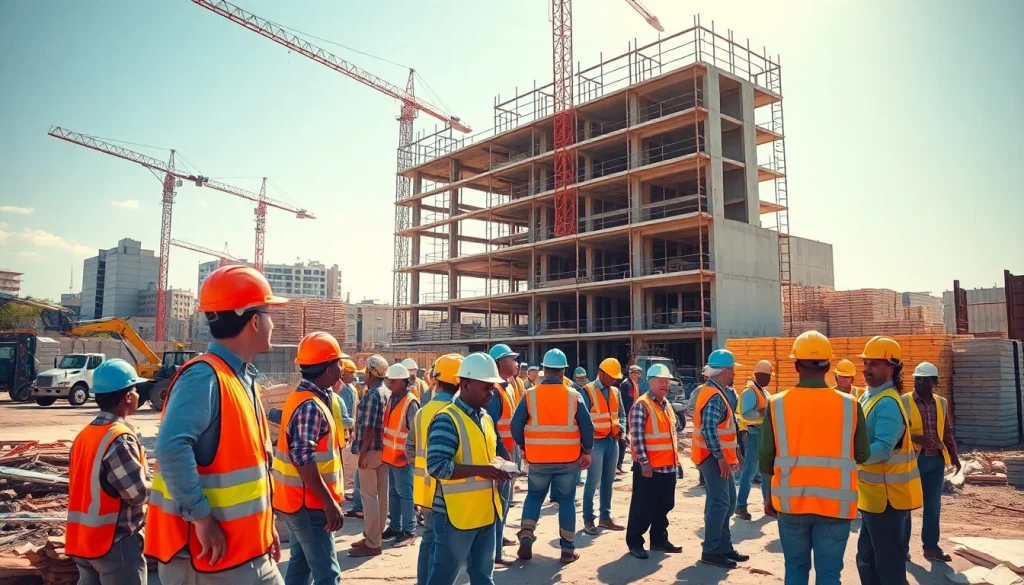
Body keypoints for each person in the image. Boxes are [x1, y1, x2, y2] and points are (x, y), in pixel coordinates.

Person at [147, 265, 284, 584]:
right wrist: (202, 518)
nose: (273, 322)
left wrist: (265, 526)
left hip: (246, 551)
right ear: (254, 321)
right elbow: (170, 448)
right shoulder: (204, 377)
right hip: (207, 558)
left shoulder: (239, 377)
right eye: (269, 313)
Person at [760, 331, 870, 585]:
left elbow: (766, 458)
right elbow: (863, 453)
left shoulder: (777, 404)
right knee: (829, 574)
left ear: (796, 365)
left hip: (790, 503)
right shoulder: (850, 405)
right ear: (829, 366)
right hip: (836, 505)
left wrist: (769, 496)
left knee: (796, 568)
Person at [425, 353, 512, 585]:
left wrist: (500, 466)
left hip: (484, 512)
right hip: (455, 516)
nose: (491, 393)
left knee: (484, 577)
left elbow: (486, 457)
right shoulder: (447, 419)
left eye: (492, 388)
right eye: (486, 388)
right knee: (444, 576)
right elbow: (436, 466)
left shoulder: (485, 418)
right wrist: (481, 470)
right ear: (465, 384)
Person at [271, 332, 346, 585]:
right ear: (327, 369)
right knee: (328, 574)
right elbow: (303, 458)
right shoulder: (310, 406)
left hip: (297, 501)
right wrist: (328, 502)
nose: (342, 367)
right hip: (309, 504)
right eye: (338, 362)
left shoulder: (301, 398)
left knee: (301, 567)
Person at [67, 359, 150, 585]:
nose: (136, 393)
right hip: (115, 543)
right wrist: (163, 484)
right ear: (128, 397)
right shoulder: (119, 439)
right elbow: (137, 494)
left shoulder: (85, 435)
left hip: (83, 540)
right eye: (134, 388)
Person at [512, 348, 594, 564]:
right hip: (568, 459)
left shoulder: (530, 395)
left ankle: (527, 534)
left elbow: (515, 425)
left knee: (534, 496)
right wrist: (586, 451)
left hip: (538, 459)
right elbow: (587, 426)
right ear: (562, 372)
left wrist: (523, 446)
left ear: (544, 370)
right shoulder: (573, 395)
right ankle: (567, 550)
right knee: (566, 500)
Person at [856, 336, 923, 585]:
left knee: (888, 568)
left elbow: (883, 449)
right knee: (866, 560)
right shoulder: (869, 397)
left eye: (874, 363)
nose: (867, 368)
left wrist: (848, 456)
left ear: (891, 368)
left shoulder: (888, 403)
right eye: (866, 362)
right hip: (873, 498)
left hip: (888, 500)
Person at [409, 355, 463, 585]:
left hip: (425, 490)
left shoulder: (422, 411)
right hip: (452, 491)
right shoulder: (458, 412)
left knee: (428, 540)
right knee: (447, 546)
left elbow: (410, 449)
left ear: (438, 382)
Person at [691, 349, 747, 569]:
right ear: (724, 371)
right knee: (720, 503)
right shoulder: (714, 395)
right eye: (732, 369)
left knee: (727, 502)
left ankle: (723, 547)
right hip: (712, 458)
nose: (734, 373)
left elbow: (723, 429)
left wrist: (731, 454)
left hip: (715, 457)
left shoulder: (717, 391)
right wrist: (721, 457)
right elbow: (709, 430)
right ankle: (712, 551)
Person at [902, 362, 961, 562]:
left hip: (935, 460)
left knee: (933, 506)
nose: (918, 382)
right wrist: (915, 438)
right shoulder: (904, 402)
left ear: (934, 382)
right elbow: (896, 431)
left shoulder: (941, 403)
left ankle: (931, 547)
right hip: (913, 461)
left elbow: (946, 430)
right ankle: (902, 549)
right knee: (906, 506)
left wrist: (953, 454)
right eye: (917, 378)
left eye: (923, 379)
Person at [625, 363, 683, 560]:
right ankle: (635, 542)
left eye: (667, 381)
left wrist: (677, 461)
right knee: (643, 506)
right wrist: (644, 462)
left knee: (664, 505)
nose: (666, 385)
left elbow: (671, 435)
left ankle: (659, 540)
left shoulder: (666, 405)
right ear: (650, 382)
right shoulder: (642, 405)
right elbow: (638, 436)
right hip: (649, 468)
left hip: (667, 467)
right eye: (661, 381)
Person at [349, 354, 393, 557]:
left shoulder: (373, 395)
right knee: (381, 496)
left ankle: (373, 542)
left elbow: (368, 428)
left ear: (370, 373)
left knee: (369, 496)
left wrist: (362, 454)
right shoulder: (387, 392)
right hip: (384, 450)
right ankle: (373, 535)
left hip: (372, 451)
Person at [580, 357, 627, 534]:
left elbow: (621, 414)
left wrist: (621, 428)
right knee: (593, 482)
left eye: (616, 377)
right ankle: (588, 520)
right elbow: (582, 419)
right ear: (601, 373)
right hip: (595, 443)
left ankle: (605, 518)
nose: (614, 380)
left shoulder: (615, 391)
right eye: (611, 377)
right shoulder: (587, 391)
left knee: (609, 480)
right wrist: (584, 446)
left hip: (612, 440)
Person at [485, 344, 521, 565]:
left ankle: (499, 538)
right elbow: (492, 428)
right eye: (511, 359)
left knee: (505, 502)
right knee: (499, 503)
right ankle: (495, 551)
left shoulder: (507, 387)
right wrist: (503, 456)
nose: (516, 363)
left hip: (510, 452)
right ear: (500, 364)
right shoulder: (495, 391)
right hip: (502, 456)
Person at [382, 362, 421, 546]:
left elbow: (415, 432)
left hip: (403, 459)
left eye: (394, 381)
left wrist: (408, 455)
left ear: (404, 382)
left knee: (406, 494)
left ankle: (409, 530)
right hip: (391, 456)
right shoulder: (393, 399)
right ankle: (396, 526)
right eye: (389, 381)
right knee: (395, 494)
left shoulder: (410, 402)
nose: (390, 384)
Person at [734, 359, 773, 521]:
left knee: (765, 472)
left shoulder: (763, 392)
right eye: (765, 375)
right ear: (757, 375)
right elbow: (746, 414)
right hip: (753, 434)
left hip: (763, 434)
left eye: (769, 376)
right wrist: (763, 412)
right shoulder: (750, 391)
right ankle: (740, 505)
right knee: (750, 471)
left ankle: (768, 504)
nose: (768, 378)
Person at [339, 359, 364, 518]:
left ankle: (356, 502)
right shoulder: (347, 390)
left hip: (347, 435)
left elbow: (347, 417)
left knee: (349, 470)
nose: (354, 375)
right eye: (352, 372)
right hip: (347, 434)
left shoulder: (346, 390)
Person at [617, 365, 642, 473]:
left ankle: (626, 463)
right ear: (631, 373)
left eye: (638, 373)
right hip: (627, 416)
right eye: (636, 373)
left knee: (629, 440)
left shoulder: (634, 384)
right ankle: (618, 464)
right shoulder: (626, 385)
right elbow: (626, 402)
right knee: (623, 440)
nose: (637, 375)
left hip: (631, 415)